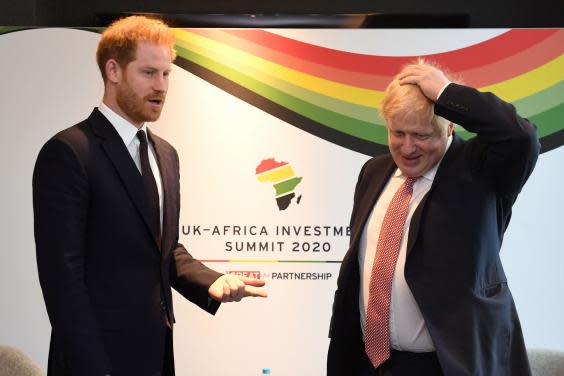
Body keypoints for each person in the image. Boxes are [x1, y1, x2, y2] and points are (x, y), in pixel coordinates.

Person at [32, 16, 267, 376]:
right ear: (113, 71)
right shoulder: (68, 152)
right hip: (94, 362)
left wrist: (210, 281)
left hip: (156, 357)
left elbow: (163, 248)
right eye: (148, 73)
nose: (161, 86)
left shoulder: (166, 154)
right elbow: (62, 282)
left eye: (166, 74)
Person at [327, 60, 540, 376]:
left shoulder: (481, 172)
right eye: (397, 132)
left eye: (421, 135)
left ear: (450, 126)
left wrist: (446, 93)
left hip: (447, 365)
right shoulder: (374, 172)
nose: (408, 147)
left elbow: (521, 138)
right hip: (369, 363)